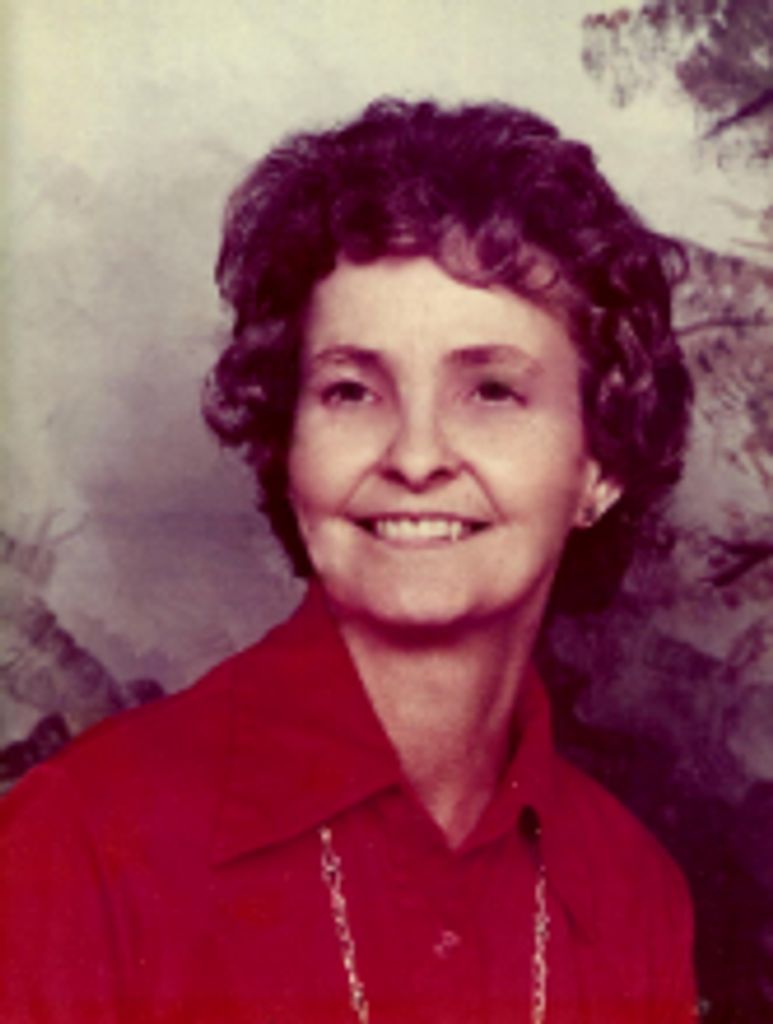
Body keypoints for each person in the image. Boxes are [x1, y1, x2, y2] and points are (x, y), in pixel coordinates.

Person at [0, 98, 697, 1023]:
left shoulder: (633, 893)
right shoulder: (79, 845)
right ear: (287, 444)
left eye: (491, 391)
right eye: (351, 391)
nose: (415, 456)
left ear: (598, 465)